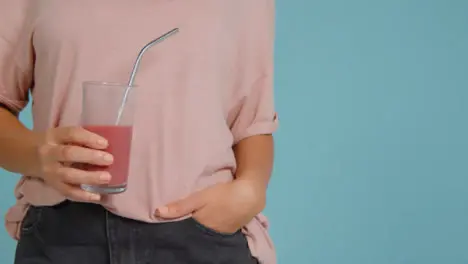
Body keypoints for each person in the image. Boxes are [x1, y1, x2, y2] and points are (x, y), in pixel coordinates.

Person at [0, 1, 278, 263]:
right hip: (63, 235)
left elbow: (253, 121)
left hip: (201, 235)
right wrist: (39, 155)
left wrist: (250, 189)